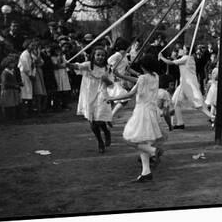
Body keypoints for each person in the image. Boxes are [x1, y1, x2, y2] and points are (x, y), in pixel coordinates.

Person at [108, 54, 165, 182]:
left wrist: (112, 98)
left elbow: (130, 93)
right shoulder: (155, 76)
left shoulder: (143, 78)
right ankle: (146, 173)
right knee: (143, 140)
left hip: (142, 112)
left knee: (129, 138)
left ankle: (153, 151)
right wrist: (121, 75)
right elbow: (138, 80)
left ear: (143, 66)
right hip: (152, 112)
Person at [67, 46, 113, 153]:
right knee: (92, 121)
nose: (100, 57)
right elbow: (76, 66)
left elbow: (111, 84)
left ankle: (106, 131)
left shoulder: (108, 68)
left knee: (100, 118)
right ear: (93, 55)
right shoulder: (88, 65)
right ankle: (100, 141)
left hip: (102, 94)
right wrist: (66, 63)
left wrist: (106, 80)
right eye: (98, 55)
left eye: (102, 55)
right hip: (88, 95)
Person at [158, 49, 214, 129]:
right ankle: (180, 123)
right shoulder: (189, 58)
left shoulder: (186, 58)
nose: (180, 50)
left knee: (197, 104)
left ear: (186, 51)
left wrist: (161, 57)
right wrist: (173, 58)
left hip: (188, 84)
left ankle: (213, 117)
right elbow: (176, 61)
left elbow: (170, 63)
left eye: (182, 49)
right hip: (183, 84)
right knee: (175, 102)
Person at [0, 55, 21, 121]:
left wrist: (17, 84)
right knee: (8, 105)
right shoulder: (5, 73)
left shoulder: (13, 71)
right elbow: (5, 83)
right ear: (7, 64)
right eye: (12, 63)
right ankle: (7, 118)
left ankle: (13, 118)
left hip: (12, 90)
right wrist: (14, 85)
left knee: (13, 105)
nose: (13, 64)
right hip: (7, 91)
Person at [50, 45, 71, 110]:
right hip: (57, 74)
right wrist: (62, 64)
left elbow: (66, 63)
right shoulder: (53, 57)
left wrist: (64, 64)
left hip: (63, 74)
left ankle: (65, 104)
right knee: (58, 91)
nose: (58, 52)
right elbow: (56, 65)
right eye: (57, 51)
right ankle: (57, 105)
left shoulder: (63, 56)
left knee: (65, 91)